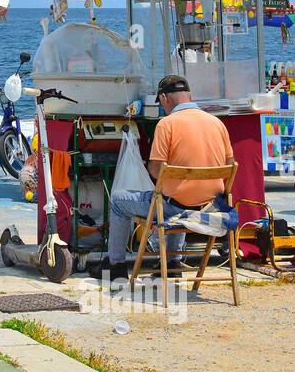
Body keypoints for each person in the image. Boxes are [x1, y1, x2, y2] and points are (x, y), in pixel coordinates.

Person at [100, 75, 234, 280]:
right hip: (211, 207)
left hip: (176, 209)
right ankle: (172, 261)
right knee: (176, 196)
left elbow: (156, 171)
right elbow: (230, 164)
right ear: (189, 95)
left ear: (164, 98)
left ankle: (115, 264)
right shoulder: (217, 123)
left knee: (120, 199)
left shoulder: (167, 124)